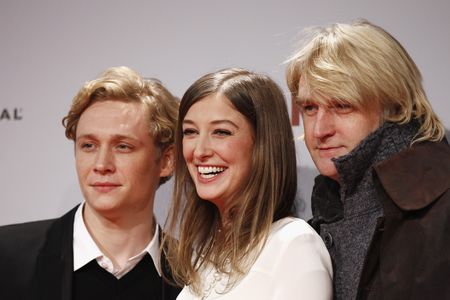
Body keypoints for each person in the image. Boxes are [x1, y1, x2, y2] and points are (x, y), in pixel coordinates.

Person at [286, 19, 450, 300]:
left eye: (342, 105)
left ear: (394, 105)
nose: (318, 130)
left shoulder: (443, 204)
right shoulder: (324, 213)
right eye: (310, 108)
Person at [0, 66, 181, 300]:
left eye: (123, 146)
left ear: (166, 160)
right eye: (88, 146)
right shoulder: (8, 257)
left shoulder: (197, 275)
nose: (101, 164)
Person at [162, 68, 333, 299]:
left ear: (263, 143)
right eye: (190, 132)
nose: (200, 151)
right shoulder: (206, 254)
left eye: (221, 132)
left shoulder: (293, 245)